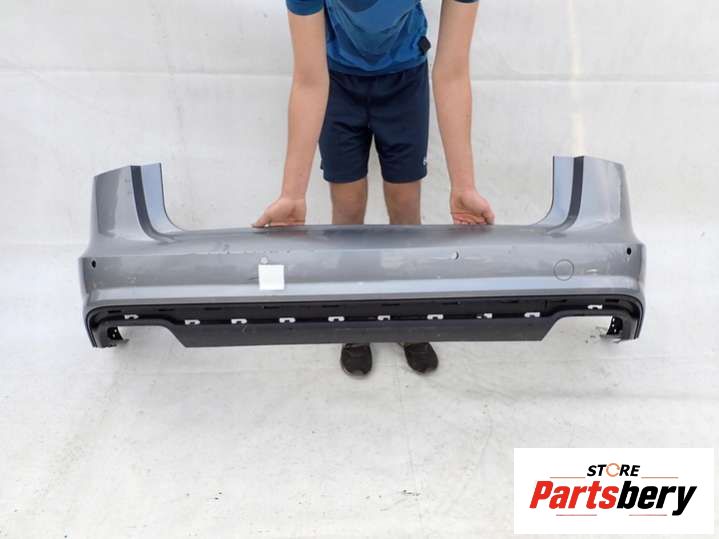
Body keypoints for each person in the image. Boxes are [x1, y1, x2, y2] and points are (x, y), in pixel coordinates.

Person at [254, 0, 495, 377]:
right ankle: (355, 318)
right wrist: (292, 193)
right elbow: (309, 80)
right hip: (337, 81)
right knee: (347, 206)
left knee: (405, 203)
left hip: (404, 80)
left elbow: (451, 73)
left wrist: (464, 184)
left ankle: (410, 317)